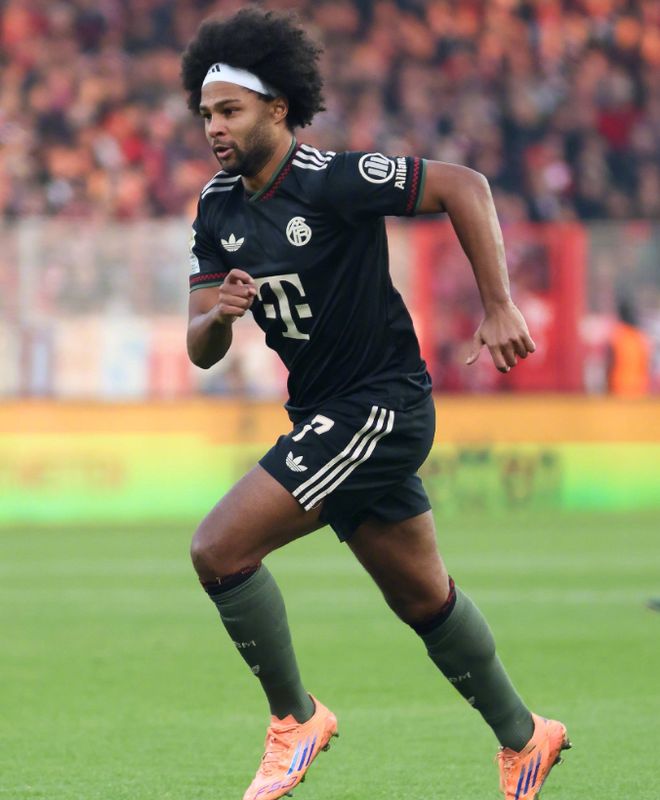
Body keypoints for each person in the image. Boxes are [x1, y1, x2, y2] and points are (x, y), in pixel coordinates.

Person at [180, 9, 570, 800]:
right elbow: (200, 347)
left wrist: (499, 304)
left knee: (218, 549)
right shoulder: (217, 207)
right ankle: (526, 736)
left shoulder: (331, 179)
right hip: (323, 413)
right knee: (424, 597)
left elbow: (464, 185)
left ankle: (295, 719)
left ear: (277, 109)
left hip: (378, 406)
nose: (214, 127)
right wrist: (219, 314)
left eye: (230, 111)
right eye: (206, 114)